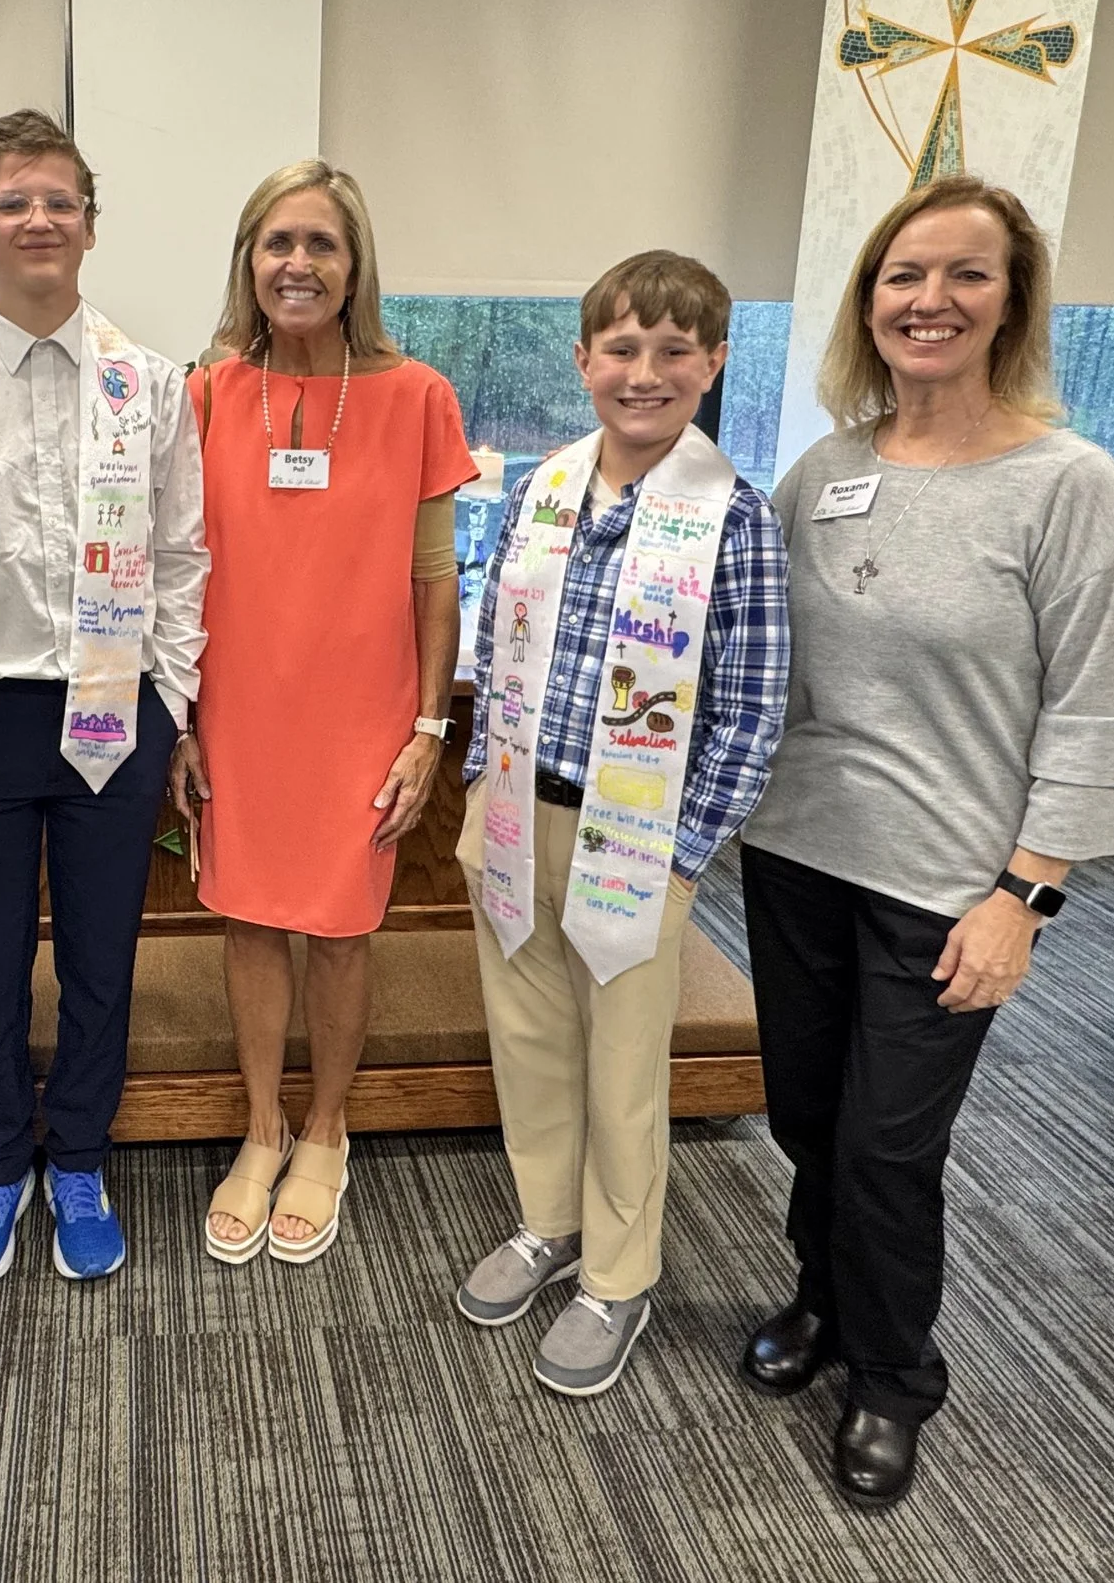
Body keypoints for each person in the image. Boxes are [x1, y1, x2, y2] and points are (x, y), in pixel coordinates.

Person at [736, 175, 1114, 1508]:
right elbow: (758, 645)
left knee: (886, 1144)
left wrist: (1026, 895)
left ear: (1011, 299)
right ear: (870, 301)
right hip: (800, 849)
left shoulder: (1069, 485)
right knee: (808, 1114)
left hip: (949, 884)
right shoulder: (828, 465)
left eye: (965, 275)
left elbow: (1096, 708)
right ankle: (821, 1298)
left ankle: (897, 1375)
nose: (931, 299)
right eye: (904, 276)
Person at [449, 252, 789, 1395]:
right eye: (622, 349)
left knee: (624, 1071)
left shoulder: (732, 519)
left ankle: (618, 1273)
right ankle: (547, 1222)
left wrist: (685, 850)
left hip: (635, 840)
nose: (644, 373)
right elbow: (494, 650)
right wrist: (475, 795)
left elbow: (749, 709)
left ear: (713, 363)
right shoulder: (542, 491)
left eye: (672, 352)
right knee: (530, 1038)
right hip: (513, 816)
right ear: (585, 358)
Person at [0, 110, 208, 1283]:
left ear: (88, 225)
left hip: (113, 708)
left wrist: (172, 702)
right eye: (13, 201)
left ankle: (76, 1153)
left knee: (101, 956)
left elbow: (182, 556)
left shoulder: (150, 384)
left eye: (59, 200)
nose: (38, 219)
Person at [182, 160, 475, 1267]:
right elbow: (174, 567)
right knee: (250, 919)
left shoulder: (415, 396)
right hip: (238, 709)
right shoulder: (204, 393)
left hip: (365, 712)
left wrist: (428, 731)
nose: (297, 264)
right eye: (276, 243)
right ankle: (260, 1130)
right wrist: (178, 721)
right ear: (248, 263)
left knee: (344, 927)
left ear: (355, 268)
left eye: (321, 244)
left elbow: (434, 578)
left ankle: (327, 1128)